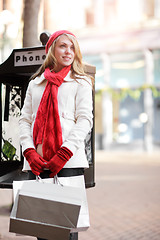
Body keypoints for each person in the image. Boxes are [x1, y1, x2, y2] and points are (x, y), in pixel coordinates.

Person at [19, 30, 93, 240]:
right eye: (63, 46)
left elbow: (85, 120)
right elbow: (25, 120)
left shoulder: (81, 82)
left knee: (66, 231)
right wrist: (29, 151)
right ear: (51, 50)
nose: (68, 51)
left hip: (67, 164)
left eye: (72, 47)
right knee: (43, 230)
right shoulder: (36, 83)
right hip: (39, 164)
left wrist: (64, 153)